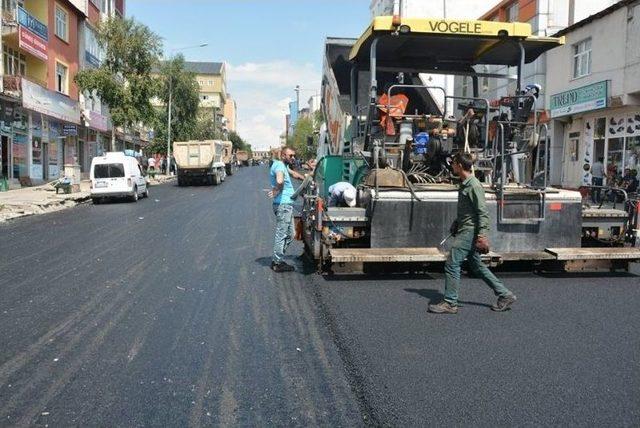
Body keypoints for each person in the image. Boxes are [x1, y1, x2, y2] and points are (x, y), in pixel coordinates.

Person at [429, 152, 516, 314]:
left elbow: (482, 212)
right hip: (465, 228)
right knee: (476, 265)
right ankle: (505, 294)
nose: (452, 166)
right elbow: (468, 210)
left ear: (460, 166)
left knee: (452, 264)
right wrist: (457, 222)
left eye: (453, 163)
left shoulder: (474, 185)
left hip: (469, 232)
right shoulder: (465, 183)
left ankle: (450, 302)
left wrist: (482, 236)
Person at [268, 146, 298, 272]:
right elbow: (280, 180)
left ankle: (277, 258)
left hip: (286, 205)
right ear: (283, 155)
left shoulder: (283, 165)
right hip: (283, 205)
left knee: (291, 234)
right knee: (282, 234)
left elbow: (293, 174)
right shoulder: (280, 166)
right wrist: (277, 189)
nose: (293, 158)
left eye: (293, 155)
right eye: (290, 155)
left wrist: (308, 177)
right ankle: (277, 262)